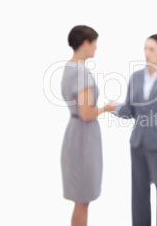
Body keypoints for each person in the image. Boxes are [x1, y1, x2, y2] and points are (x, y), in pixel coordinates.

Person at [112, 34, 157, 226]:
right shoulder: (136, 77)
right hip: (137, 143)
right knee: (139, 192)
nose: (147, 53)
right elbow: (130, 111)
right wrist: (116, 108)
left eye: (152, 49)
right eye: (145, 49)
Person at [61, 25, 116, 226]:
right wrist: (106, 108)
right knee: (83, 200)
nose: (96, 48)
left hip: (74, 134)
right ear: (85, 43)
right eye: (94, 43)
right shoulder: (81, 73)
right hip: (83, 139)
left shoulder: (68, 67)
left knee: (81, 199)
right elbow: (86, 113)